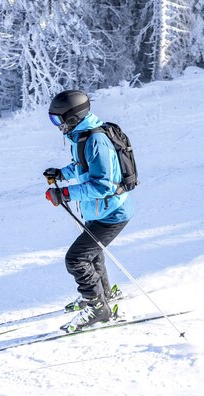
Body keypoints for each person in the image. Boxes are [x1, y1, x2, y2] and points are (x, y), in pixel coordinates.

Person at [44, 90, 134, 333]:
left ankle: (98, 309)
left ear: (72, 117)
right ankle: (101, 295)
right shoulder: (81, 136)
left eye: (57, 119)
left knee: (76, 259)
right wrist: (61, 174)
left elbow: (104, 185)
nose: (56, 125)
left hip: (112, 214)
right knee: (92, 254)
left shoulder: (96, 140)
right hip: (99, 212)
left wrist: (65, 193)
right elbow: (82, 167)